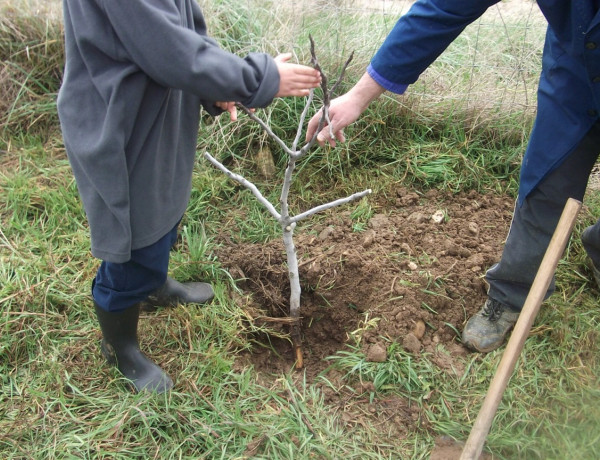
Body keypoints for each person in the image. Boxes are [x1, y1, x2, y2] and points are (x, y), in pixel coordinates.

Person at [57, 0, 321, 393]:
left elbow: (186, 29)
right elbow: (170, 49)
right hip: (122, 122)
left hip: (157, 108)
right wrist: (256, 78)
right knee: (135, 232)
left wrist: (216, 88)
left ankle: (153, 284)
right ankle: (120, 345)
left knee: (165, 205)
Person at [306, 0, 600, 353]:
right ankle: (513, 295)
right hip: (577, 70)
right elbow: (443, 8)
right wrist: (359, 95)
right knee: (549, 179)